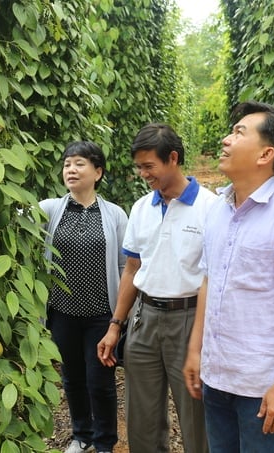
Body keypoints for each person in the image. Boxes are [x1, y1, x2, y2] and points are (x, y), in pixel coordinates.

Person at [182, 101, 274, 452]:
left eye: (238, 132)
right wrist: (195, 350)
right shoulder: (219, 210)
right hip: (218, 377)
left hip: (263, 389)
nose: (226, 139)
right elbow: (208, 279)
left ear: (266, 154)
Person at [97, 123, 216, 453]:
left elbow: (214, 279)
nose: (143, 174)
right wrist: (114, 326)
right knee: (142, 419)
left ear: (173, 158)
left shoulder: (210, 208)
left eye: (149, 166)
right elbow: (132, 269)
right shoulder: (140, 208)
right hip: (144, 319)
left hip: (190, 320)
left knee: (196, 418)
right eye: (139, 167)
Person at [40, 141, 128, 453]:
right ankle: (82, 435)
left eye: (79, 164)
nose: (71, 170)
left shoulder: (114, 215)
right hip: (62, 313)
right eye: (67, 164)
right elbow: (18, 215)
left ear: (98, 172)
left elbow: (123, 265)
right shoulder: (50, 209)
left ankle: (104, 442)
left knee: (100, 382)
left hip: (101, 315)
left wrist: (119, 317)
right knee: (72, 379)